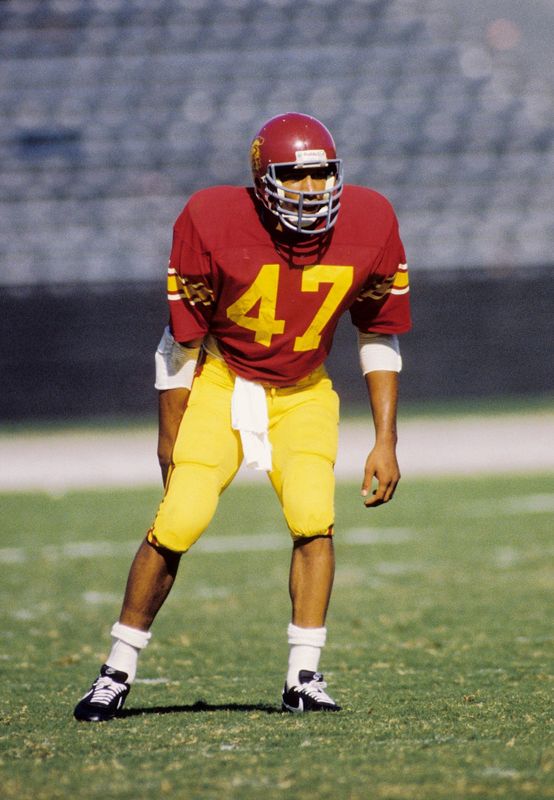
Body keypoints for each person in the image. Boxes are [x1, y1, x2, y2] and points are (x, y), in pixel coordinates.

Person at [74, 112, 411, 721]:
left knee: (315, 517)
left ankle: (303, 676)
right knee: (179, 518)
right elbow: (177, 344)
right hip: (222, 379)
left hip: (304, 389)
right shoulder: (211, 219)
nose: (313, 191)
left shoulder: (373, 221)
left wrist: (386, 440)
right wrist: (168, 433)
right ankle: (115, 672)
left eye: (322, 176)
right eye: (296, 177)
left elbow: (380, 334)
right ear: (263, 182)